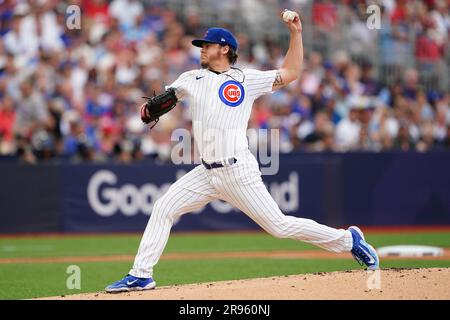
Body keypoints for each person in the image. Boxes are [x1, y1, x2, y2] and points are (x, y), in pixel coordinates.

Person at [105, 10, 379, 293]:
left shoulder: (245, 79)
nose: (202, 49)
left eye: (207, 45)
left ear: (224, 49)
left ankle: (349, 240)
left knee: (279, 226)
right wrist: (148, 111)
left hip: (237, 171)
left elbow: (292, 72)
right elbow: (153, 108)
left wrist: (296, 33)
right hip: (206, 172)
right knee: (163, 207)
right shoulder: (190, 78)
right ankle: (141, 274)